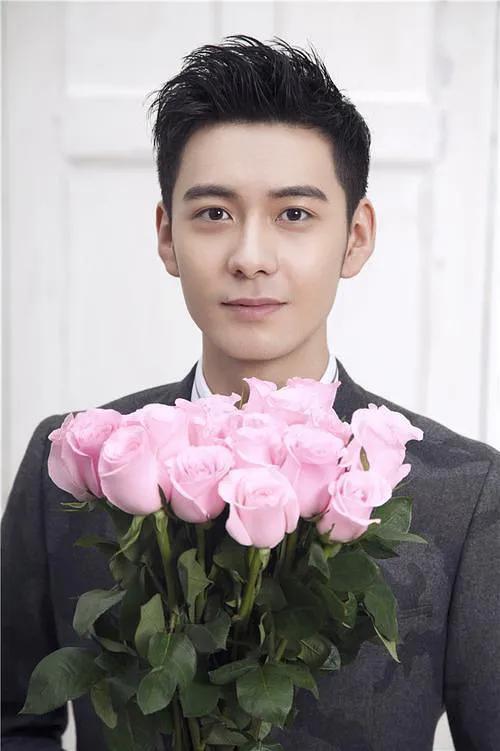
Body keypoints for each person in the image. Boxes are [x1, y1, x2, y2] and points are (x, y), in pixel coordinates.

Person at [2, 34, 499, 751]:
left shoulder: (465, 494)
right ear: (167, 235)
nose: (250, 257)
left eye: (294, 214)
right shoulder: (78, 460)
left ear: (356, 236)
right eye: (214, 213)